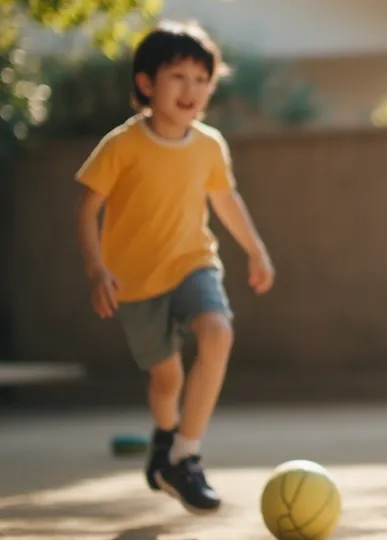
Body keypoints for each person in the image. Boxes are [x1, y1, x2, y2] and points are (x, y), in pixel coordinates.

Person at [74, 20, 275, 514]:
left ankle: (186, 453)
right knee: (166, 382)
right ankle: (165, 442)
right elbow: (85, 209)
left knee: (218, 333)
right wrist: (98, 270)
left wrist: (255, 249)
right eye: (178, 77)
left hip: (194, 265)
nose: (192, 90)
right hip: (136, 283)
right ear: (147, 84)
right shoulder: (121, 145)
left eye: (201, 79)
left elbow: (225, 200)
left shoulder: (209, 145)